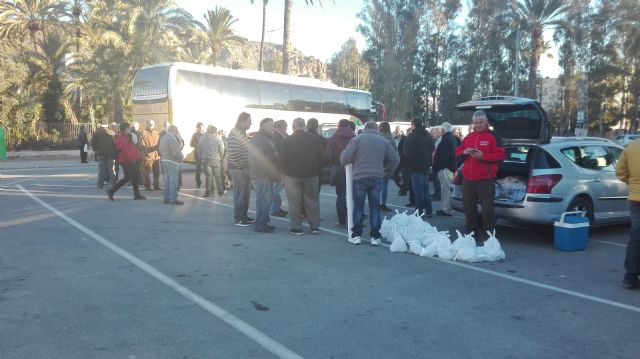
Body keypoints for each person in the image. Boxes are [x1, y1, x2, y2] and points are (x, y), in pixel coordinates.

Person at [340, 121, 399, 245]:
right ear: (377, 129)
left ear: (365, 128)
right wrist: (386, 171)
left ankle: (356, 235)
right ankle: (375, 237)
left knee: (359, 207)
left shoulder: (357, 139)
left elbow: (345, 157)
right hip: (377, 177)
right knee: (375, 208)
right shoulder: (384, 141)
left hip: (360, 177)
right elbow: (395, 159)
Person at [455, 110, 505, 244]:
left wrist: (483, 156)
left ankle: (489, 236)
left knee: (488, 209)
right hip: (468, 179)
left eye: (480, 122)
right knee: (468, 207)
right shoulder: (468, 137)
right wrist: (464, 152)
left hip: (485, 179)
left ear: (486, 122)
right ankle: (472, 232)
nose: (478, 125)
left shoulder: (493, 137)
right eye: (475, 123)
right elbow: (458, 151)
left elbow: (500, 155)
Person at [280, 118, 325, 235]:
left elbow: (282, 158)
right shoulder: (314, 139)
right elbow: (321, 156)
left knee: (294, 202)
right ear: (304, 126)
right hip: (311, 174)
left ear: (293, 127)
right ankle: (314, 226)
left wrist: (284, 171)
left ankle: (296, 227)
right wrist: (317, 170)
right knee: (312, 201)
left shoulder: (288, 140)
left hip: (292, 175)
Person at [615, 139, 640, 289]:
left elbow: (620, 173)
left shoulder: (632, 147)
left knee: (636, 239)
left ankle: (630, 277)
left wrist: (634, 184)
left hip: (637, 200)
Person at [249, 118, 280, 233]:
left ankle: (263, 222)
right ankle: (261, 225)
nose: (273, 127)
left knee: (264, 200)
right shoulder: (260, 139)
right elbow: (261, 158)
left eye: (273, 125)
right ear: (263, 126)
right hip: (262, 175)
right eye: (270, 125)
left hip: (264, 174)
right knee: (264, 200)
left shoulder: (264, 138)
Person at [325, 119, 355, 228]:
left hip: (338, 168)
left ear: (338, 126)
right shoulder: (354, 138)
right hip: (354, 169)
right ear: (348, 126)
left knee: (341, 196)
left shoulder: (333, 139)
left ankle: (342, 220)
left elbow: (328, 156)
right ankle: (355, 219)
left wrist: (333, 164)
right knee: (354, 195)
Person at [403, 117, 435, 217]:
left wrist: (409, 163)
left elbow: (408, 152)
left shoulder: (412, 136)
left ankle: (419, 211)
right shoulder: (428, 135)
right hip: (425, 165)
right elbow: (432, 148)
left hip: (415, 166)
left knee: (418, 191)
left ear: (413, 125)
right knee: (425, 190)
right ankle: (428, 210)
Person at [106, 122, 146, 201]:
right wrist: (132, 159)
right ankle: (111, 190)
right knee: (128, 177)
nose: (130, 129)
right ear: (125, 128)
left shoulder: (126, 136)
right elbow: (125, 150)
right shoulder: (121, 137)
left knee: (134, 177)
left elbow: (131, 147)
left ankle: (136, 194)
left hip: (130, 160)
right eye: (129, 128)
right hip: (126, 160)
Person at [228, 112, 254, 226]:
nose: (251, 123)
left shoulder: (242, 133)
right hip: (238, 169)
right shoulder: (235, 133)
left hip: (245, 168)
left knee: (246, 194)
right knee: (240, 194)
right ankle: (239, 218)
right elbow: (233, 152)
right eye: (249, 121)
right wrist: (241, 167)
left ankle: (244, 215)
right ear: (242, 121)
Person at [432, 122, 458, 216]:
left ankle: (446, 209)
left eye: (441, 129)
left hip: (445, 168)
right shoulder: (452, 139)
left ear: (444, 130)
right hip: (450, 168)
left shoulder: (446, 140)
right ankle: (448, 208)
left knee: (445, 189)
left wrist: (439, 167)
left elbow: (443, 156)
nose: (440, 131)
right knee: (448, 189)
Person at [158, 124, 184, 205]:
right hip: (172, 161)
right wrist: (181, 157)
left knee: (167, 180)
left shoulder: (163, 138)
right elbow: (176, 152)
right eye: (176, 130)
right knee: (173, 181)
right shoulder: (172, 138)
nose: (177, 132)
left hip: (164, 160)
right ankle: (173, 199)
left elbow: (159, 149)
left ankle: (166, 198)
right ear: (173, 130)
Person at [197, 125, 225, 198]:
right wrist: (221, 157)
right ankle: (220, 192)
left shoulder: (202, 138)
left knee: (208, 177)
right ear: (214, 132)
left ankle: (208, 192)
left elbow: (198, 148)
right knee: (217, 176)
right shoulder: (217, 139)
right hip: (216, 159)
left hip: (206, 160)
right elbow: (221, 150)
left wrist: (200, 157)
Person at [270, 120, 289, 217]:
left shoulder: (282, 135)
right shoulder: (276, 136)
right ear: (282, 126)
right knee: (276, 189)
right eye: (286, 126)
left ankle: (277, 207)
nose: (287, 128)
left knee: (277, 188)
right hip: (278, 167)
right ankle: (274, 209)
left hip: (280, 166)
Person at [378, 122, 398, 211]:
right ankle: (383, 204)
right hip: (388, 164)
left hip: (378, 163)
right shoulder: (391, 138)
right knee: (385, 185)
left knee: (377, 186)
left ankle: (376, 203)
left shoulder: (377, 137)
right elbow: (396, 151)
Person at [90, 123, 116, 189]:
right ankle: (113, 184)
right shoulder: (112, 133)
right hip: (110, 154)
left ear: (101, 126)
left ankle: (100, 185)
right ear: (107, 126)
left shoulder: (97, 133)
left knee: (101, 170)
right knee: (111, 169)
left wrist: (96, 150)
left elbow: (92, 143)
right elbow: (116, 144)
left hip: (100, 154)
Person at [139, 120, 161, 191]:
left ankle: (156, 186)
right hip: (147, 156)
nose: (151, 125)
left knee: (156, 172)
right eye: (149, 124)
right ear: (146, 124)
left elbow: (159, 143)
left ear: (154, 124)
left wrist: (159, 152)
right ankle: (147, 186)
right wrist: (147, 152)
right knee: (147, 172)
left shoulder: (156, 132)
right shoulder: (143, 132)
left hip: (156, 156)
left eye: (152, 124)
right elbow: (141, 145)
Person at [190, 122, 205, 188]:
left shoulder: (206, 134)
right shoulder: (195, 135)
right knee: (198, 168)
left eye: (201, 127)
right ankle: (198, 182)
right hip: (197, 153)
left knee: (207, 168)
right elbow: (191, 144)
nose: (200, 128)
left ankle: (209, 183)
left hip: (205, 153)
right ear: (197, 128)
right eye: (199, 127)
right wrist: (197, 145)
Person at [430, 126, 442, 201]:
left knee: (438, 180)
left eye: (435, 133)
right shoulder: (434, 140)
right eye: (432, 133)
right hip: (433, 162)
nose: (433, 134)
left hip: (437, 162)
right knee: (434, 179)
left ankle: (437, 195)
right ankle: (436, 193)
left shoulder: (439, 140)